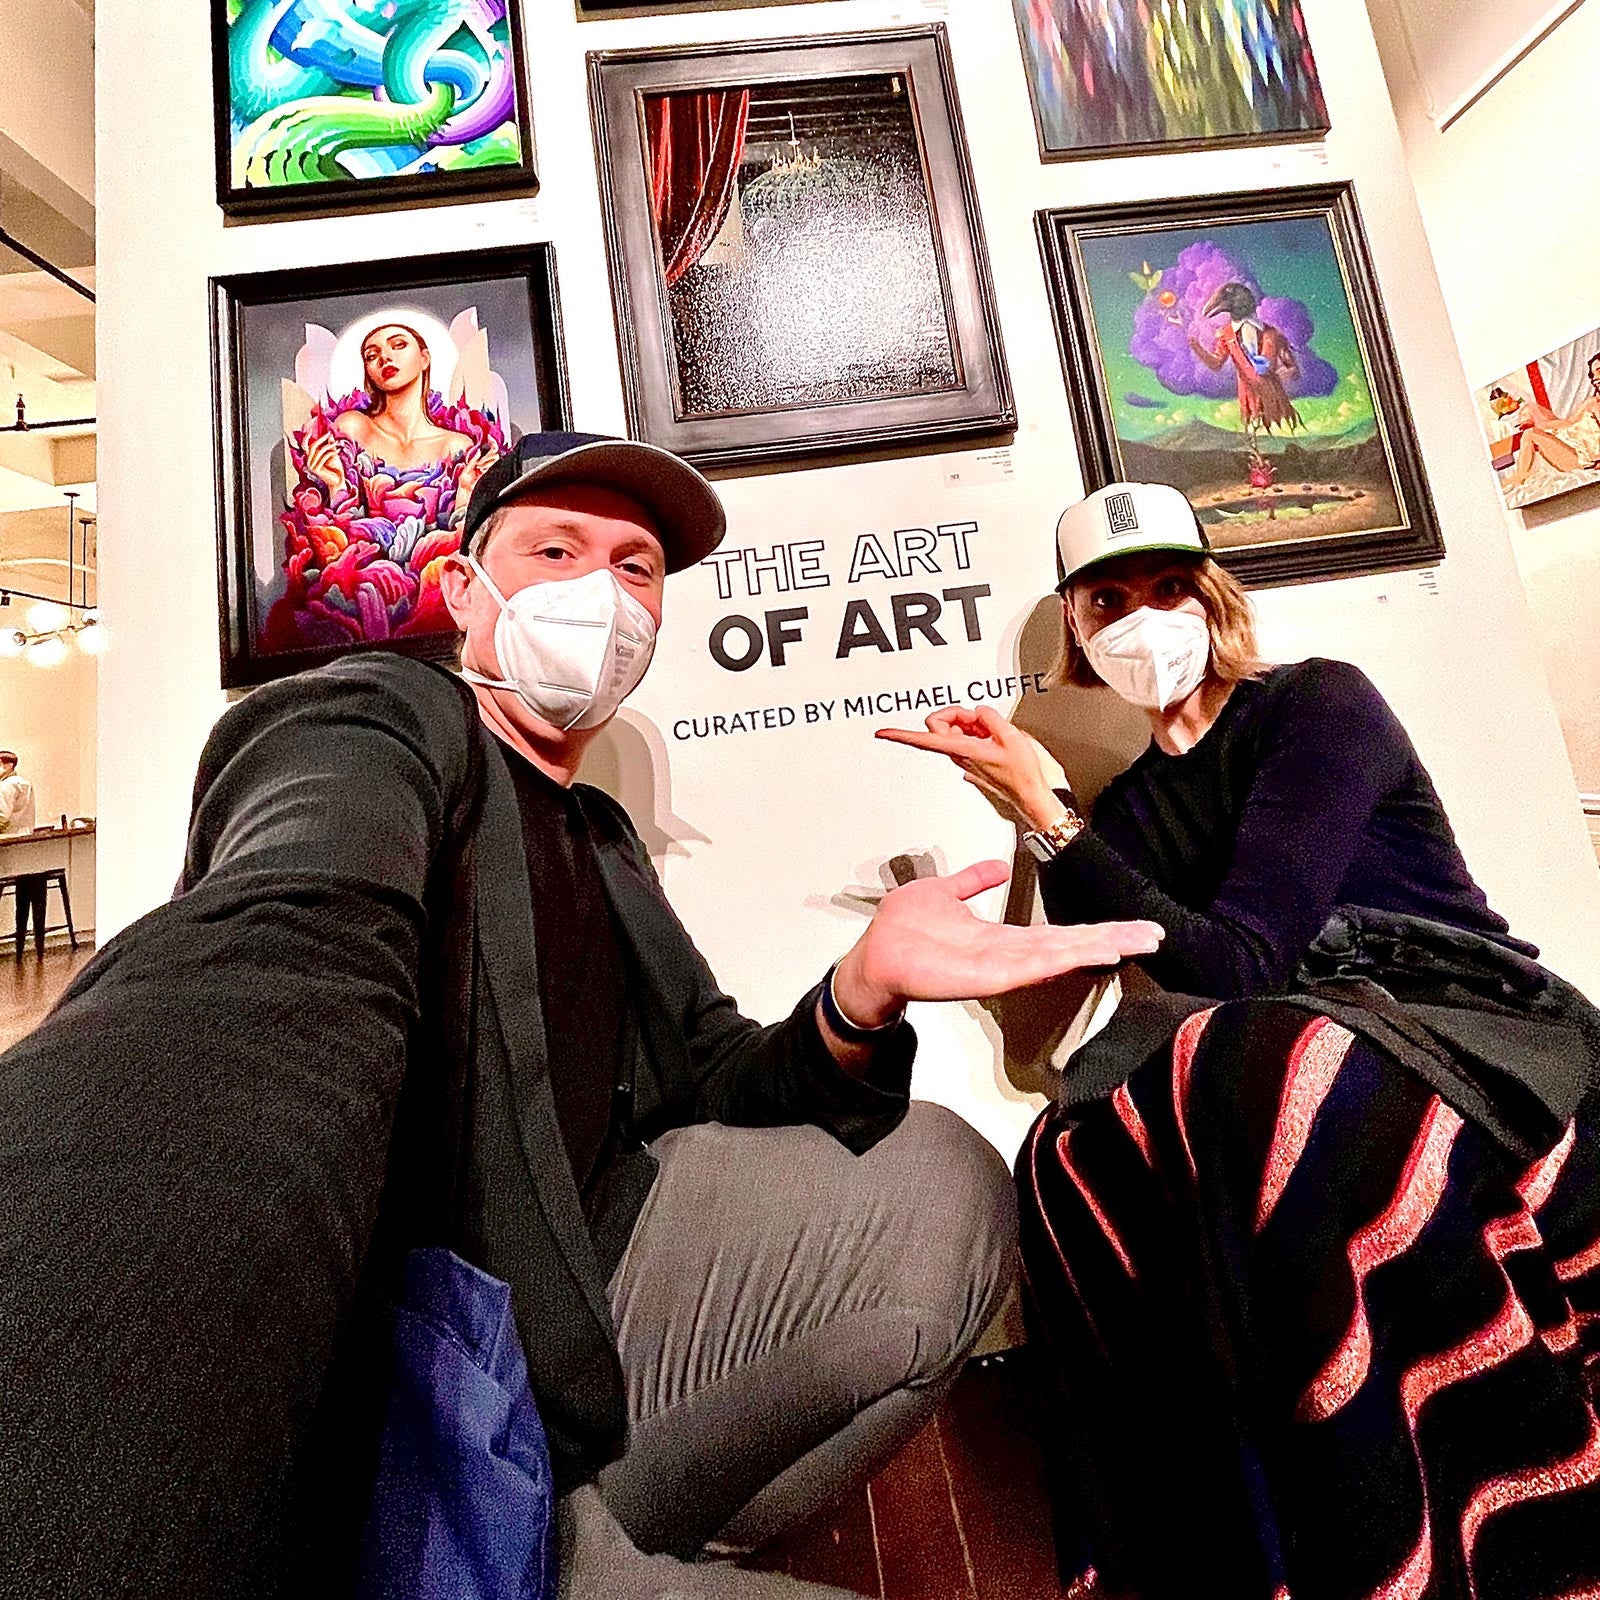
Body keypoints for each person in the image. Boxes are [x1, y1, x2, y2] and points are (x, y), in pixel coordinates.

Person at [0, 434, 1162, 1600]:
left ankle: (589, 1527)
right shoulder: (376, 719)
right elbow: (275, 966)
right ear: (463, 588)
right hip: (426, 1393)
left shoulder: (598, 836)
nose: (601, 592)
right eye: (555, 551)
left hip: (589, 1279)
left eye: (635, 566)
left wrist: (860, 992)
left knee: (937, 1161)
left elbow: (716, 1067)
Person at [879, 480, 1600, 1599]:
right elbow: (1130, 969)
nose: (1143, 619)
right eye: (1109, 600)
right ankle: (1203, 1549)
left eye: (1169, 587)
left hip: (1443, 1010)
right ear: (1075, 624)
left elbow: (1238, 963)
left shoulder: (1317, 705)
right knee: (1068, 1152)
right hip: (1275, 1038)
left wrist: (1048, 812)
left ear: (1211, 594)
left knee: (1287, 1078)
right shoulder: (1124, 811)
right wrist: (1048, 815)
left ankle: (1431, 1530)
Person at [0, 749, 35, 835]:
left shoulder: (7, 785)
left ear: (8, 766)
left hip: (8, 837)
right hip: (25, 835)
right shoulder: (24, 783)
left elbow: (2, 817)